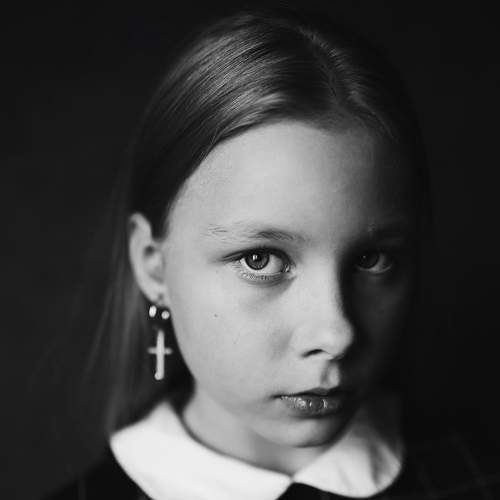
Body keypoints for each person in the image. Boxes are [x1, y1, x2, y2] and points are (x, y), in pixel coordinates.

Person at [44, 3, 500, 500]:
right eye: (260, 259)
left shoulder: (475, 476)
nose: (336, 334)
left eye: (372, 259)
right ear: (154, 267)